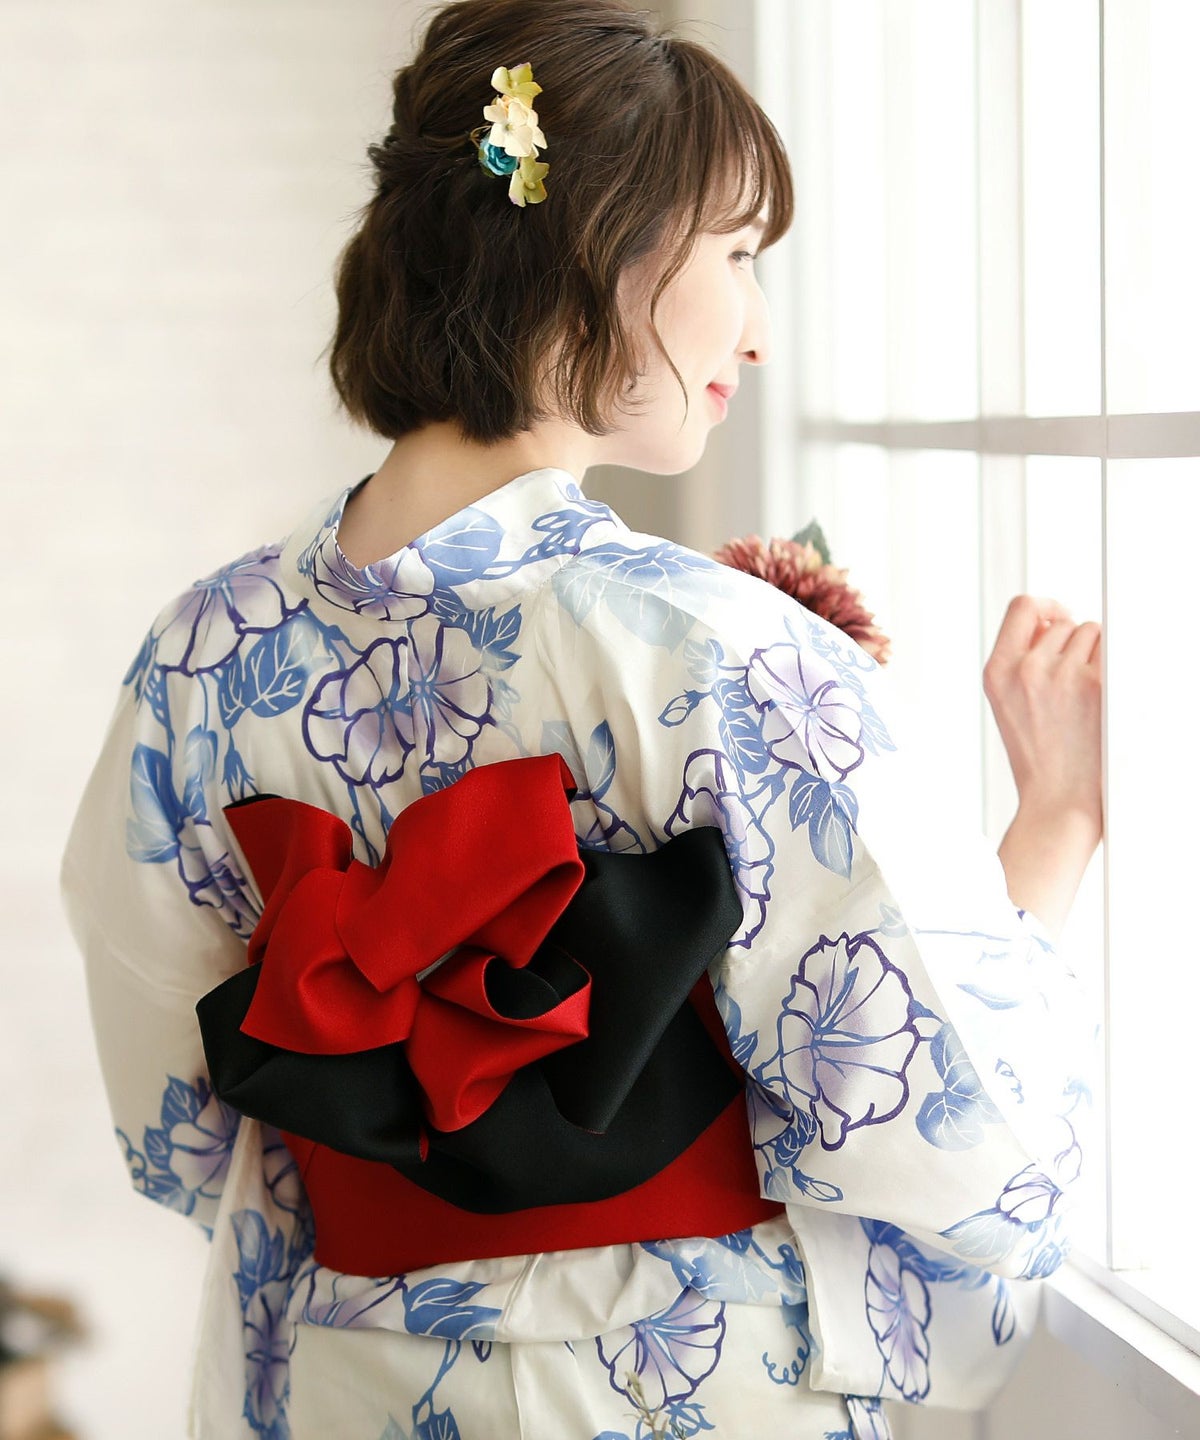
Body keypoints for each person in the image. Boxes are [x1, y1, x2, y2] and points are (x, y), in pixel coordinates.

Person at [60, 2, 1102, 1437]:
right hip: (673, 1386)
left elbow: (178, 1129)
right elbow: (970, 1141)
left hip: (343, 1376)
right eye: (738, 257)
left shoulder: (199, 652)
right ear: (606, 249)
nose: (758, 330)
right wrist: (1059, 826)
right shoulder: (715, 652)